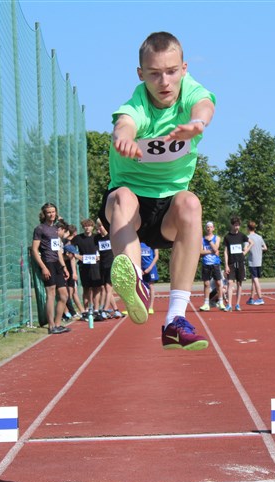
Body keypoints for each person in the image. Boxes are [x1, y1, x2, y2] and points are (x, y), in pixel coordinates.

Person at [100, 31, 214, 351]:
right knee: (123, 196)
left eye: (171, 71)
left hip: (168, 212)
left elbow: (205, 105)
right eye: (154, 74)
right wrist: (123, 136)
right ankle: (135, 279)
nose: (164, 81)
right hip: (130, 206)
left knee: (190, 202)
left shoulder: (191, 94)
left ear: (184, 68)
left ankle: (175, 321)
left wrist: (198, 124)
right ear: (141, 74)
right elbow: (125, 121)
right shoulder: (138, 102)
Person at [31, 207, 71, 334]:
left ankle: (58, 324)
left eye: (53, 211)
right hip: (47, 263)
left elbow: (58, 250)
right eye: (48, 212)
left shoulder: (56, 229)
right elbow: (34, 250)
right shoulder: (40, 229)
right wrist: (43, 267)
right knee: (51, 294)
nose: (51, 214)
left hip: (57, 264)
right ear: (44, 214)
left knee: (64, 295)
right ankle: (51, 326)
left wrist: (64, 267)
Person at [73, 218, 106, 319]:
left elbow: (104, 250)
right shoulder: (78, 238)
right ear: (83, 227)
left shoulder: (97, 237)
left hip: (96, 266)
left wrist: (100, 257)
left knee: (97, 288)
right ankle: (86, 310)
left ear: (93, 227)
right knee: (86, 288)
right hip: (84, 266)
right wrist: (78, 256)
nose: (87, 228)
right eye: (85, 226)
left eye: (89, 226)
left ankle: (96, 310)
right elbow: (68, 247)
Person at [222, 216, 252, 311]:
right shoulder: (227, 237)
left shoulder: (242, 235)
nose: (237, 227)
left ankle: (237, 304)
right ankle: (229, 304)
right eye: (235, 225)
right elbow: (226, 252)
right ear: (232, 225)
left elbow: (251, 242)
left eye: (238, 225)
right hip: (231, 262)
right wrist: (226, 265)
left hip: (240, 261)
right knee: (230, 283)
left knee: (239, 283)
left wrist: (245, 251)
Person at [95, 219, 123, 318]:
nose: (99, 229)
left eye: (100, 226)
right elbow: (95, 250)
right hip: (102, 266)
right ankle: (115, 310)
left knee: (108, 288)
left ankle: (105, 310)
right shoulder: (97, 238)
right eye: (98, 227)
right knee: (105, 289)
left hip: (112, 265)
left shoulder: (111, 236)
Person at [199, 221, 223, 311]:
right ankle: (206, 303)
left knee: (218, 283)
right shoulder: (201, 239)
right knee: (206, 284)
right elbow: (200, 252)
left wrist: (210, 242)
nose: (209, 229)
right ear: (206, 228)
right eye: (207, 227)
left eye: (210, 227)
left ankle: (221, 302)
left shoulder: (217, 238)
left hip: (215, 263)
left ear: (213, 228)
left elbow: (216, 248)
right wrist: (211, 251)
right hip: (206, 263)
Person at [245, 220, 266, 305]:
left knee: (255, 279)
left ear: (247, 228)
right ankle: (251, 298)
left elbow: (246, 248)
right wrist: (258, 249)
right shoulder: (259, 237)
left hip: (252, 261)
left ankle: (260, 297)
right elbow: (265, 247)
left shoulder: (248, 237)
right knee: (254, 279)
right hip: (259, 260)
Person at [140, 241, 159, 314]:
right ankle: (142, 306)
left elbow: (156, 256)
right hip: (141, 268)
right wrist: (140, 268)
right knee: (141, 287)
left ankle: (151, 307)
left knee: (151, 286)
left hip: (151, 268)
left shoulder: (153, 241)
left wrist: (150, 268)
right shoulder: (139, 242)